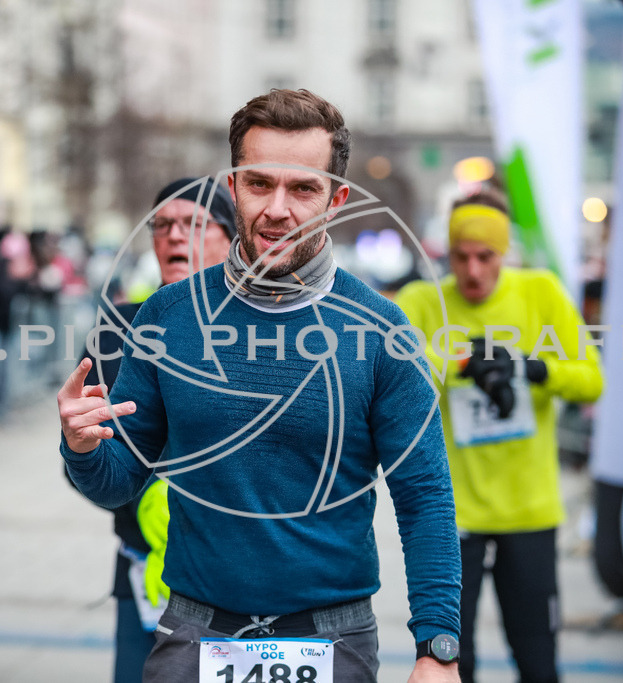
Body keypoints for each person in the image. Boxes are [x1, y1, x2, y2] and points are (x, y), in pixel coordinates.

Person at [58, 89, 461, 682]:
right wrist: (84, 447)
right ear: (232, 189)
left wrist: (437, 648)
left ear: (336, 200)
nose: (278, 209)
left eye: (303, 189)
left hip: (334, 637)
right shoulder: (168, 317)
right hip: (194, 632)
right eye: (259, 184)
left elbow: (424, 494)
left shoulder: (381, 329)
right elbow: (119, 483)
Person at [396, 189, 604, 683]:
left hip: (527, 510)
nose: (472, 271)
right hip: (451, 514)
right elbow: (398, 376)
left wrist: (531, 368)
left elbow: (592, 379)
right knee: (451, 661)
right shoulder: (423, 301)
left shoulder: (540, 292)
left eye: (485, 257)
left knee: (536, 660)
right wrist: (465, 361)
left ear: (504, 252)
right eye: (461, 257)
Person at [79, 177, 236, 683]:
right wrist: (86, 453)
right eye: (161, 225)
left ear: (229, 237)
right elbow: (86, 464)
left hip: (240, 576)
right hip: (144, 570)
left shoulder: (262, 328)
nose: (172, 236)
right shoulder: (118, 327)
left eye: (191, 223)